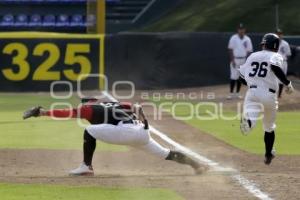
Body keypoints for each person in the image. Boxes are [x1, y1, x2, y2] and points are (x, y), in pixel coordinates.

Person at [23, 98, 206, 176]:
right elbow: (137, 108)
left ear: (88, 102)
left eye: (84, 102)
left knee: (90, 131)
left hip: (126, 131)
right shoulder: (114, 104)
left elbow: (66, 112)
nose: (83, 105)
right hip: (142, 132)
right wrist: (144, 122)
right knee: (166, 154)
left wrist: (43, 112)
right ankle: (197, 166)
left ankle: (87, 166)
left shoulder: (89, 108)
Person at [239, 33, 294, 165]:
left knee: (251, 117)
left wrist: (253, 82)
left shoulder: (253, 55)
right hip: (269, 95)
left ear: (264, 44)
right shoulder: (276, 55)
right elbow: (275, 67)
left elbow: (241, 77)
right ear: (276, 46)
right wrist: (287, 83)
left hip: (252, 92)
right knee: (269, 127)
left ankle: (249, 122)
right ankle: (268, 154)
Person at [228, 23, 253, 99]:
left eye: (242, 29)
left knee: (240, 76)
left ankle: (238, 93)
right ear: (237, 30)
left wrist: (247, 61)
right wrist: (232, 60)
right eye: (240, 29)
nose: (241, 30)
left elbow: (249, 51)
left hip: (243, 59)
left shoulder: (247, 39)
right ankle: (231, 93)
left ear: (244, 30)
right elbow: (230, 49)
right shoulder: (233, 38)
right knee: (233, 76)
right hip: (235, 59)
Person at [276, 29, 292, 98]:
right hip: (275, 62)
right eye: (277, 34)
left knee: (282, 78)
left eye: (280, 34)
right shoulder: (272, 43)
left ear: (282, 35)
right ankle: (273, 93)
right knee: (273, 78)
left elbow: (288, 54)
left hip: (283, 62)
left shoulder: (285, 44)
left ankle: (279, 94)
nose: (279, 35)